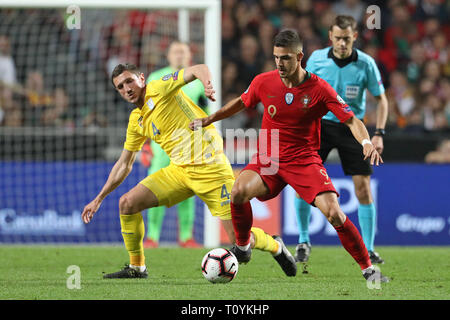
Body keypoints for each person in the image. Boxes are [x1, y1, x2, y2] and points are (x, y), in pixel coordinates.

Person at [190, 29, 389, 283]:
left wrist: (365, 141)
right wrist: (210, 118)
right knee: (238, 190)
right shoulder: (264, 81)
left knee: (334, 213)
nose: (279, 63)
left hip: (304, 158)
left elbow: (351, 120)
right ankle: (242, 247)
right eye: (276, 57)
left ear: (299, 57)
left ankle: (368, 269)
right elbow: (241, 102)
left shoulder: (319, 88)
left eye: (285, 58)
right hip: (269, 155)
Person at [81, 63, 297, 278]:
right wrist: (99, 198)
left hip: (211, 170)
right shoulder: (136, 121)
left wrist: (207, 85)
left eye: (129, 81)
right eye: (120, 86)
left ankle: (275, 245)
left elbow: (198, 68)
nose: (126, 88)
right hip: (178, 171)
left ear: (141, 78)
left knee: (241, 243)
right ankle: (137, 267)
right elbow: (124, 164)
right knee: (127, 203)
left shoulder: (158, 88)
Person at [294, 15, 389, 265]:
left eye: (347, 39)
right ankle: (303, 240)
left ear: (354, 37)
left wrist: (378, 133)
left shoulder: (366, 64)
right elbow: (301, 89)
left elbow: (382, 100)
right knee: (303, 182)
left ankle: (368, 248)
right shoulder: (316, 59)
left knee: (363, 187)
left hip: (351, 125)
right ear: (330, 36)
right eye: (338, 38)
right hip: (319, 125)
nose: (342, 43)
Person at [142, 41, 206, 249]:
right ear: (168, 56)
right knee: (155, 190)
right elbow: (144, 114)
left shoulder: (198, 81)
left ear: (189, 56)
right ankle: (152, 237)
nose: (179, 55)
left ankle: (186, 237)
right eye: (175, 52)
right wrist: (144, 145)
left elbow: (206, 113)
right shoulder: (155, 78)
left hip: (189, 146)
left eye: (183, 52)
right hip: (161, 146)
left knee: (187, 190)